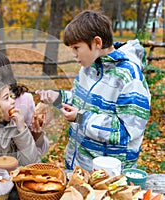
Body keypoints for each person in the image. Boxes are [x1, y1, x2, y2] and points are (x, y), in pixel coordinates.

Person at [36, 10, 151, 172]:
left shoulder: (129, 77)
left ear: (97, 42)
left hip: (109, 176)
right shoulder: (88, 68)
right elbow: (80, 101)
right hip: (79, 166)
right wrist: (58, 97)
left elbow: (127, 131)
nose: (74, 55)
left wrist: (81, 117)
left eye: (77, 48)